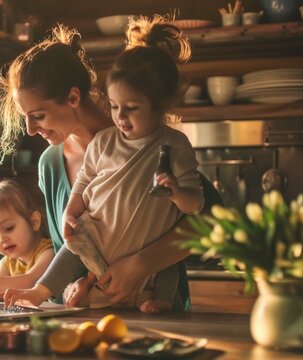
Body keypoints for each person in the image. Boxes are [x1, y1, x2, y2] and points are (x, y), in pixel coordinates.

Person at [0, 19, 222, 310]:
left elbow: (210, 220)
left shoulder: (144, 142)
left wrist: (142, 263)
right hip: (91, 319)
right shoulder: (50, 165)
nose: (30, 130)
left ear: (73, 97)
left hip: (156, 311)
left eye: (38, 115)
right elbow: (68, 248)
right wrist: (70, 289)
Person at [61, 14, 204, 313]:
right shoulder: (103, 142)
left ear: (161, 104)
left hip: (149, 270)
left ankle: (160, 300)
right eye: (114, 107)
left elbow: (196, 209)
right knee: (74, 242)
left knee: (166, 275)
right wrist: (70, 212)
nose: (120, 117)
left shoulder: (175, 146)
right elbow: (83, 183)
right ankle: (50, 290)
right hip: (103, 265)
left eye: (132, 108)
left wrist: (177, 193)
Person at [0, 179, 54, 298]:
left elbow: (29, 282)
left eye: (9, 228)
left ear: (34, 222)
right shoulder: (7, 262)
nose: (1, 239)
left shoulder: (48, 252)